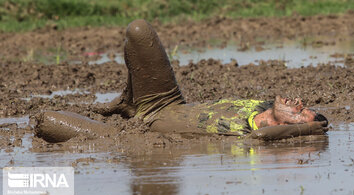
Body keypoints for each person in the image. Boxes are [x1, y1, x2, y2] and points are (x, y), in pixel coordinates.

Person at [35, 19, 328, 143]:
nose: (299, 102)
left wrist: (311, 127)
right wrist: (305, 120)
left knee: (47, 120)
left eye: (301, 112)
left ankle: (131, 109)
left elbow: (264, 137)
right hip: (164, 100)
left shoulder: (255, 139)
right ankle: (130, 98)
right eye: (305, 107)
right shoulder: (259, 105)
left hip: (142, 131)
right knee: (139, 31)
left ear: (296, 126)